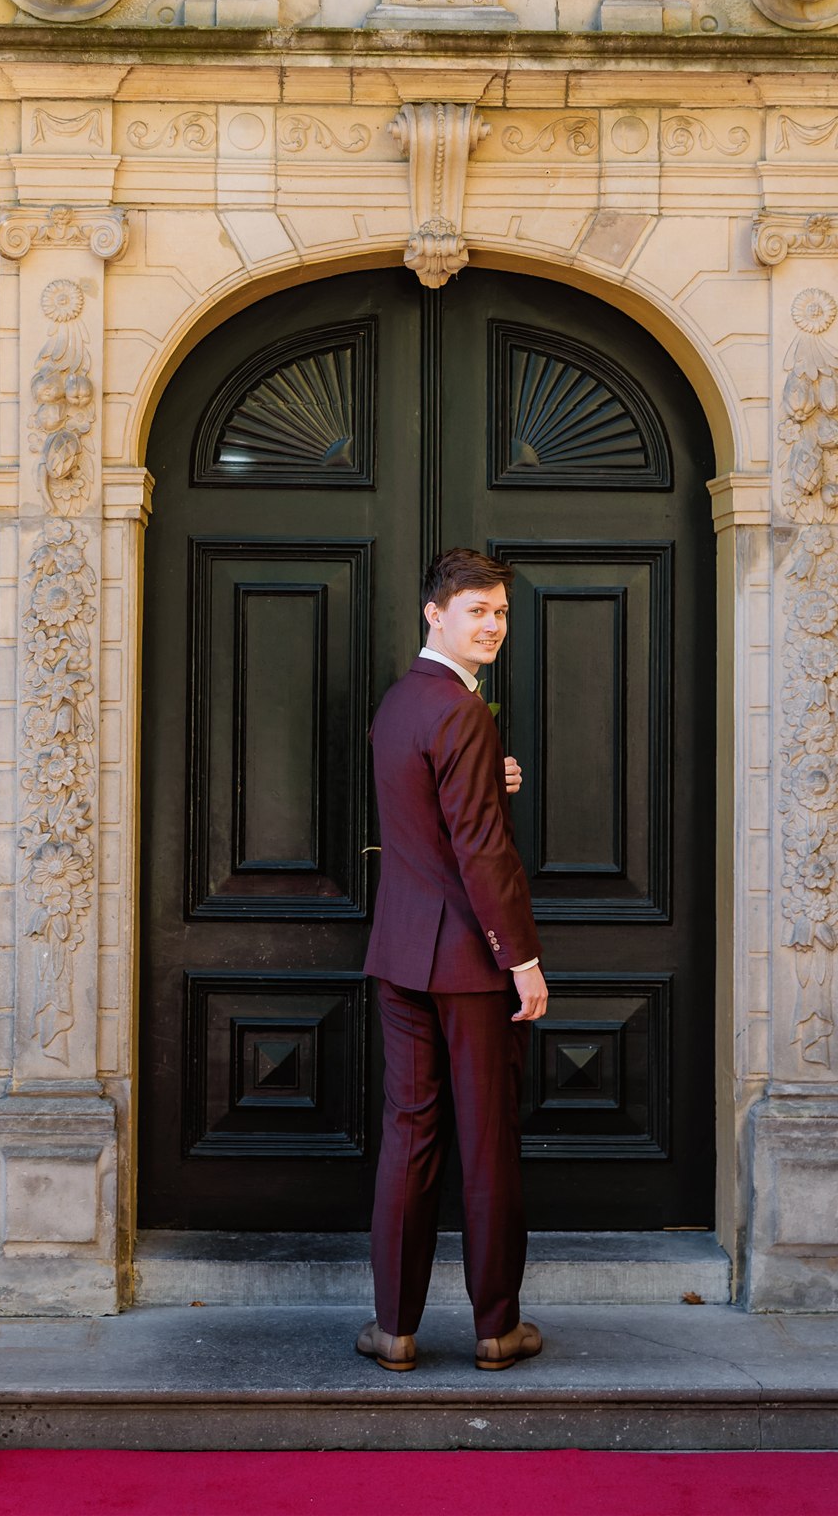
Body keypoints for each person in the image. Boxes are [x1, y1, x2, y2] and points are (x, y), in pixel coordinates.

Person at [358, 547, 548, 1376]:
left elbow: (429, 813)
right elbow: (477, 850)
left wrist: (487, 775)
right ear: (434, 614)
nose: (493, 625)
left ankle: (394, 1329)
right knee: (486, 1142)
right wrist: (523, 959)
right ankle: (495, 1329)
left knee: (409, 1134)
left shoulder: (402, 703)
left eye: (501, 612)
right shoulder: (463, 713)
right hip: (470, 961)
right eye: (477, 610)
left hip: (400, 951)